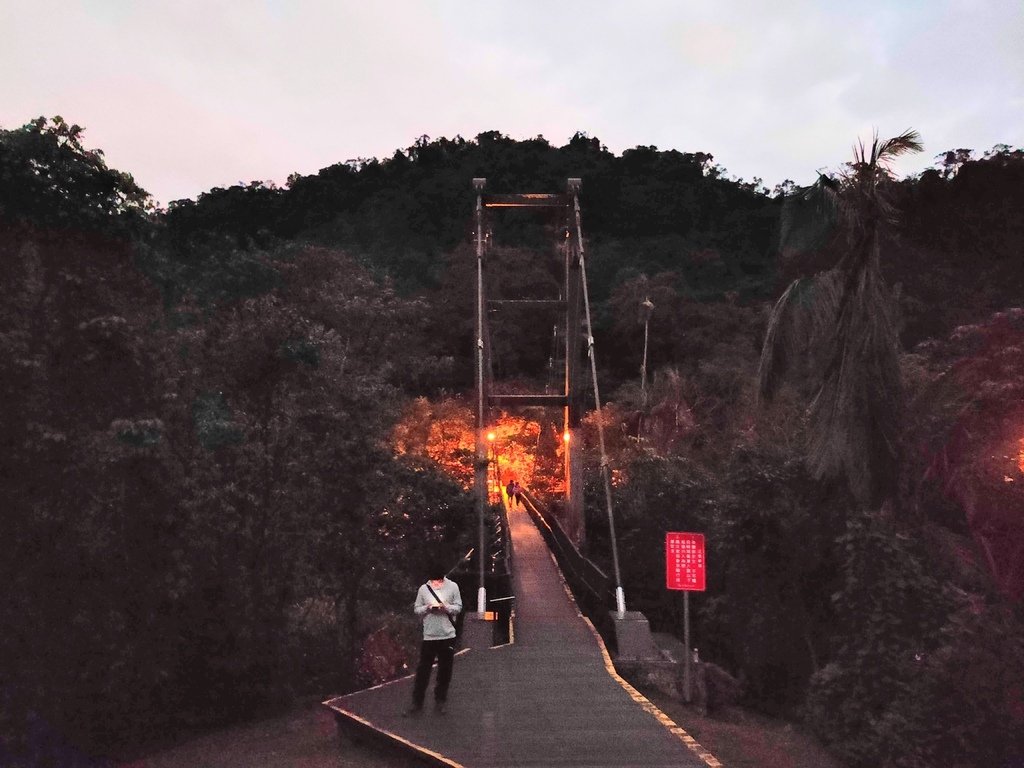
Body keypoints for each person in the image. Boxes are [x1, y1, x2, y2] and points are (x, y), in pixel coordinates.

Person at [404, 559, 462, 716]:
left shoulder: (453, 587)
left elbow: (458, 607)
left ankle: (440, 701)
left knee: (445, 671)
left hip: (447, 635)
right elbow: (417, 609)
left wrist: (446, 608)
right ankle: (417, 703)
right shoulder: (424, 589)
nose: (436, 583)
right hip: (429, 635)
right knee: (423, 670)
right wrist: (428, 608)